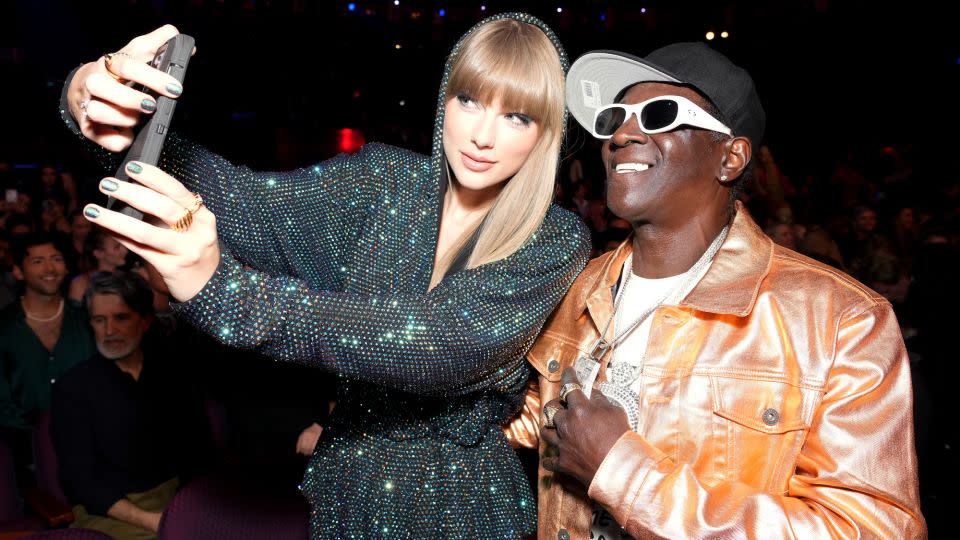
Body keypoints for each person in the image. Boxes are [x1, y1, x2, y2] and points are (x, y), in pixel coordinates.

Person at [61, 14, 589, 538]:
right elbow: (247, 206)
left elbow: (439, 343)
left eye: (517, 117)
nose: (482, 135)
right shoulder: (381, 182)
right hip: (346, 489)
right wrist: (108, 112)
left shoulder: (555, 238)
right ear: (445, 98)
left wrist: (224, 292)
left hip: (463, 508)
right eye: (469, 100)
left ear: (544, 134)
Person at [504, 43, 926, 538]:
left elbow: (875, 530)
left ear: (730, 157)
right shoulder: (572, 288)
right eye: (615, 117)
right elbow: (513, 422)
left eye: (660, 114)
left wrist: (625, 474)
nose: (621, 133)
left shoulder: (838, 320)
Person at [52, 271, 213, 539]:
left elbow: (200, 455)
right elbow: (81, 480)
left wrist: (192, 511)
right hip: (109, 510)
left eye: (121, 318)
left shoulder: (174, 376)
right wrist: (153, 521)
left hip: (177, 500)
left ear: (145, 321)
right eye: (99, 320)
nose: (109, 331)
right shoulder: (74, 387)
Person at [0, 233, 95, 489]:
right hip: (25, 463)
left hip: (93, 449)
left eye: (56, 259)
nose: (50, 268)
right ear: (18, 272)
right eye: (38, 261)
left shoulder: (88, 320)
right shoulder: (5, 328)